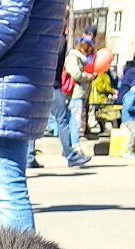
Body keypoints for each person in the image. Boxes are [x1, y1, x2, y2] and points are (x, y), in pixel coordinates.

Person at [0, 0, 64, 231]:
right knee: (9, 188)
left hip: (5, 82)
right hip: (14, 80)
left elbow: (11, 15)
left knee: (8, 191)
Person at [51, 27, 91, 168]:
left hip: (44, 84)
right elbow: (71, 71)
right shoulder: (59, 40)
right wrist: (87, 76)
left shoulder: (49, 36)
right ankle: (70, 154)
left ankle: (29, 156)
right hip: (52, 85)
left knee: (34, 120)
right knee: (65, 120)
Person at [64, 37, 96, 158]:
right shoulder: (74, 58)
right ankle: (75, 146)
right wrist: (87, 76)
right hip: (75, 93)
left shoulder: (78, 59)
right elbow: (76, 74)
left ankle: (72, 146)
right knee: (75, 121)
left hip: (79, 94)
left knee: (74, 120)